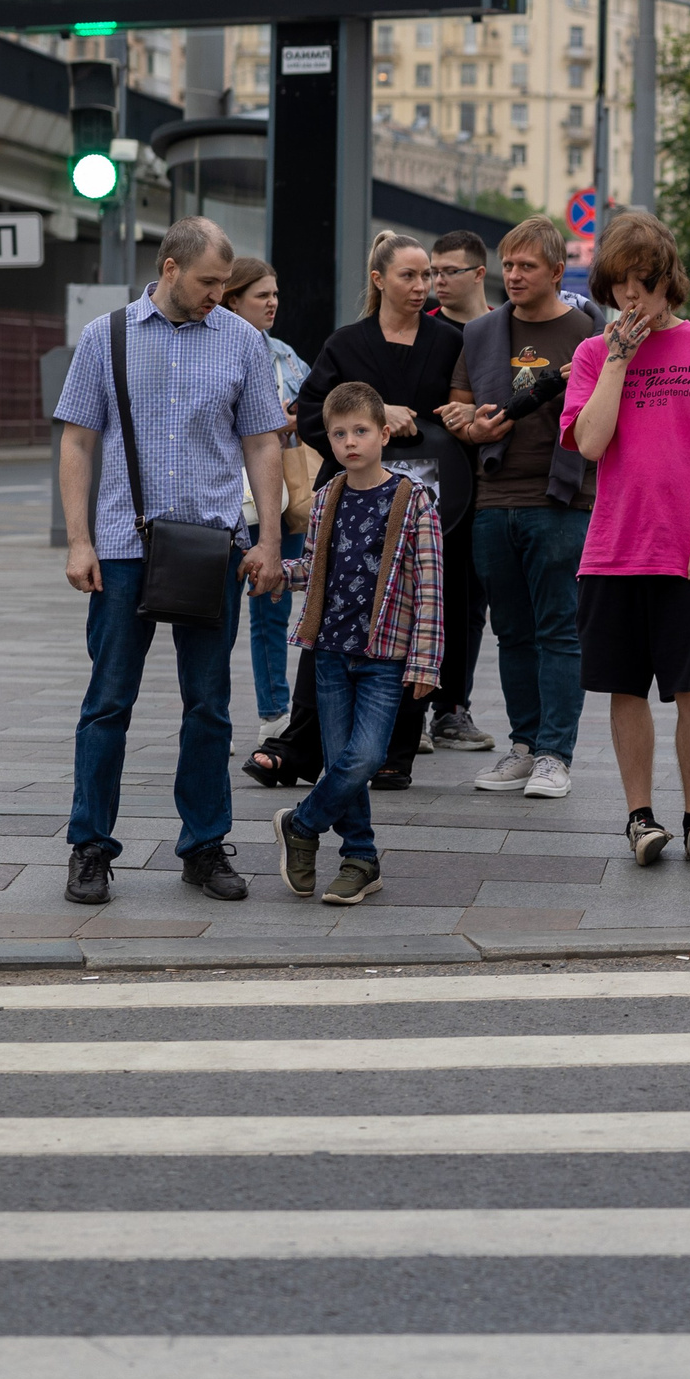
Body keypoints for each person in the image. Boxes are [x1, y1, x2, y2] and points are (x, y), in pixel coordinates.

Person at [54, 216, 286, 906]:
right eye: (210, 280)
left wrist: (268, 541)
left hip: (214, 547)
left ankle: (204, 846)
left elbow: (265, 445)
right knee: (107, 704)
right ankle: (90, 847)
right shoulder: (107, 335)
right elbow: (77, 441)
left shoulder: (244, 341)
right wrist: (78, 539)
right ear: (169, 267)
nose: (222, 291)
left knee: (209, 707)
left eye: (226, 281)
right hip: (124, 550)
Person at [563, 210, 690, 872]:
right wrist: (617, 358)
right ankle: (640, 816)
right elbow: (589, 442)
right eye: (618, 285)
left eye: (642, 282)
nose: (630, 298)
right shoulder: (591, 354)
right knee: (623, 687)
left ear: (667, 278)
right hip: (613, 550)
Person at [273, 233, 468, 792]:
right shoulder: (346, 344)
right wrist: (377, 416)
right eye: (409, 276)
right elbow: (311, 413)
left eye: (427, 275)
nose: (422, 286)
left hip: (426, 508)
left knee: (407, 617)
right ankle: (300, 743)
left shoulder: (449, 341)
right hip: (351, 506)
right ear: (379, 280)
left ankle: (396, 750)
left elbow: (465, 409)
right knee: (330, 617)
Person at [438, 216, 601, 799]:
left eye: (527, 266)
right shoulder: (482, 332)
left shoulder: (589, 332)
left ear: (558, 272)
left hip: (563, 499)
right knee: (512, 632)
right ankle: (525, 745)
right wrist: (467, 423)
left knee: (559, 629)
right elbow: (458, 405)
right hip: (493, 499)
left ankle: (556, 754)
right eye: (508, 264)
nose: (514, 275)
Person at [270, 381, 444, 906]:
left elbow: (431, 586)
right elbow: (314, 570)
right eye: (339, 433)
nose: (350, 442)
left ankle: (301, 824)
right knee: (340, 758)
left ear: (384, 434)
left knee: (366, 757)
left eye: (361, 431)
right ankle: (360, 857)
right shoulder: (326, 499)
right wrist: (275, 573)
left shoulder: (413, 500)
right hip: (329, 650)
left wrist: (426, 662)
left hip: (386, 657)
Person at [409, 228, 493, 753]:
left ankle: (453, 708)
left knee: (469, 600)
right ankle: (410, 707)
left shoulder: (502, 330)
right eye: (430, 272)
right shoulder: (424, 331)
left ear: (479, 274)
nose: (436, 281)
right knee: (419, 594)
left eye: (447, 271)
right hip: (430, 487)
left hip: (487, 485)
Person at [223, 257, 312, 745]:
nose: (273, 302)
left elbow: (319, 405)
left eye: (275, 293)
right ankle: (215, 706)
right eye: (262, 295)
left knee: (273, 606)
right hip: (225, 497)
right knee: (216, 609)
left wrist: (295, 419)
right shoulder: (212, 348)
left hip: (278, 494)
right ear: (233, 299)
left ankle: (275, 711)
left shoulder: (285, 356)